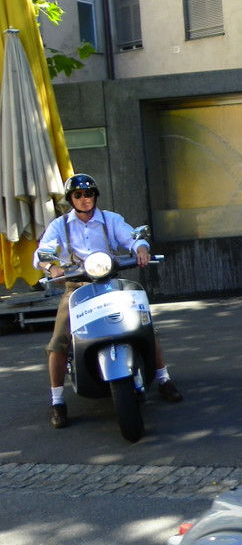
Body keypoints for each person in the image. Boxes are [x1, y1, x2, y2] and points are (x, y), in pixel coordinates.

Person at [33, 173, 183, 429]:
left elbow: (132, 238)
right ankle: (57, 400)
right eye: (78, 195)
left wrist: (141, 249)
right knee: (59, 342)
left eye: (89, 194)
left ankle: (163, 378)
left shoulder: (110, 219)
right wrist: (52, 267)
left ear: (95, 196)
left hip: (110, 282)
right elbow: (42, 253)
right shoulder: (60, 225)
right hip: (77, 287)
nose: (84, 199)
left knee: (146, 326)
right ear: (71, 199)